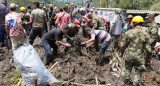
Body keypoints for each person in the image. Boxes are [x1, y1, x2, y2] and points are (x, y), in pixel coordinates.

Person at [120, 16, 151, 86]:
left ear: (134, 23)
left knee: (127, 69)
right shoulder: (146, 34)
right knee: (138, 72)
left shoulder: (129, 32)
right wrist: (148, 59)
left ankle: (126, 83)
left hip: (129, 55)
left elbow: (123, 45)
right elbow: (148, 50)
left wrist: (121, 53)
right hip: (139, 57)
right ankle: (135, 83)